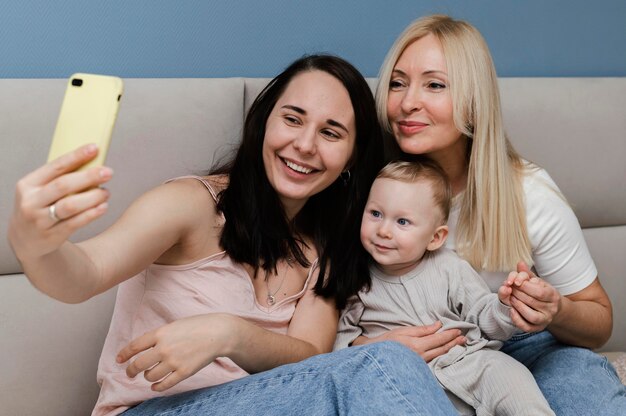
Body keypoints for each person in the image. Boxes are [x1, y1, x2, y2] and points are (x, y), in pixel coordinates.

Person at [7, 54, 460, 416]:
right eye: (293, 118)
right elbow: (83, 274)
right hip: (148, 409)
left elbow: (309, 360)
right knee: (387, 365)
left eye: (331, 132)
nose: (304, 145)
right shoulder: (192, 205)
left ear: (351, 157)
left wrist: (229, 334)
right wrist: (35, 242)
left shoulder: (329, 245)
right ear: (264, 121)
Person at [362, 14, 626, 414]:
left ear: (473, 101)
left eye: (434, 84)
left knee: (586, 399)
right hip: (418, 354)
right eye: (398, 83)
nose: (406, 102)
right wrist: (370, 346)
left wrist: (554, 309)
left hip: (526, 341)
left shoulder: (529, 192)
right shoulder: (370, 186)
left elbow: (599, 320)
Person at [335, 160, 555, 415]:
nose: (383, 230)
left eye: (402, 221)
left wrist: (506, 305)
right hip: (407, 379)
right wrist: (374, 346)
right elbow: (340, 344)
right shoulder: (357, 279)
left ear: (435, 237)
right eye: (375, 214)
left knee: (511, 377)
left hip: (467, 362)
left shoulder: (450, 267)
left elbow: (484, 319)